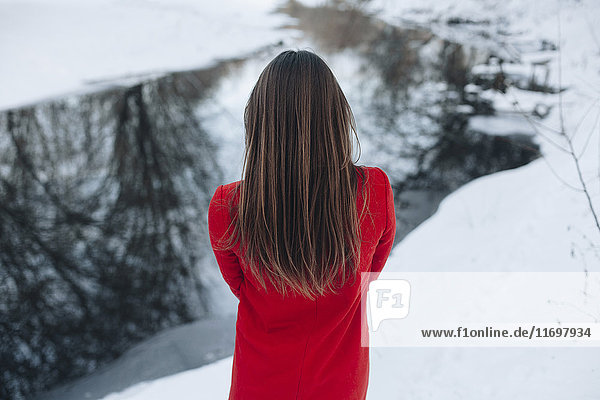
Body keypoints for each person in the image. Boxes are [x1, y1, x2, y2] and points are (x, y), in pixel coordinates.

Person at [208, 49, 396, 400]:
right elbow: (370, 270)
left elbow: (241, 287)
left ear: (258, 122)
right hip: (341, 383)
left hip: (258, 383)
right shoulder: (374, 192)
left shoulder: (227, 206)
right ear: (337, 118)